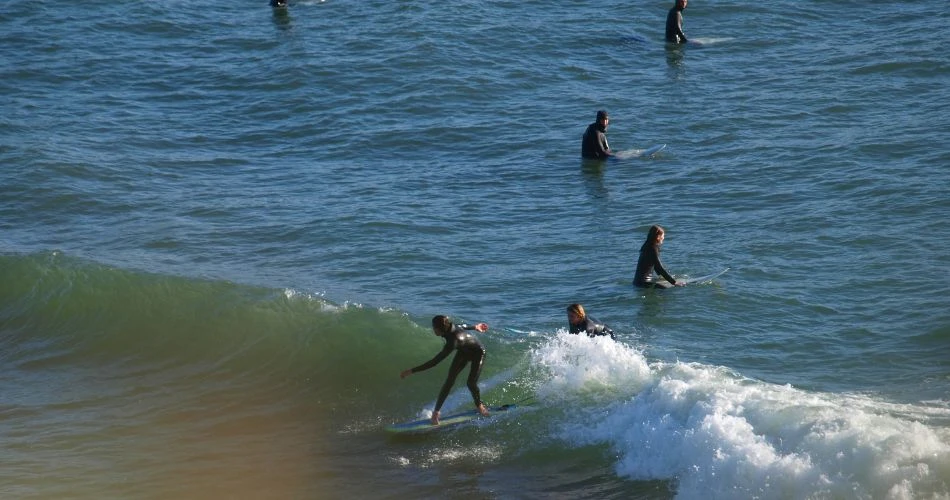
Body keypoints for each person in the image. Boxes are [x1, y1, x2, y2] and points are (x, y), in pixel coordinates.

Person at [400, 315, 490, 425]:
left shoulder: (453, 341)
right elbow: (463, 326)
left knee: (471, 383)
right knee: (449, 381)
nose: (433, 329)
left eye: (434, 327)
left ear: (439, 329)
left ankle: (479, 405)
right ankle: (436, 412)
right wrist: (475, 327)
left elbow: (434, 362)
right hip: (464, 351)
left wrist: (411, 371)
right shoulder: (450, 328)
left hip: (478, 353)